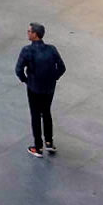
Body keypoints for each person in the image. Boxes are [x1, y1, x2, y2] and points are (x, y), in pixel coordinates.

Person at [15, 22, 66, 156]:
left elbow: (19, 70)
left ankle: (38, 147)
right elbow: (62, 68)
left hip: (34, 88)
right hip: (49, 88)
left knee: (36, 115)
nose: (28, 33)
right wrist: (53, 78)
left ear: (35, 34)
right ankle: (49, 142)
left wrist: (26, 80)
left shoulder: (27, 51)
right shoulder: (52, 49)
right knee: (46, 112)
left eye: (29, 31)